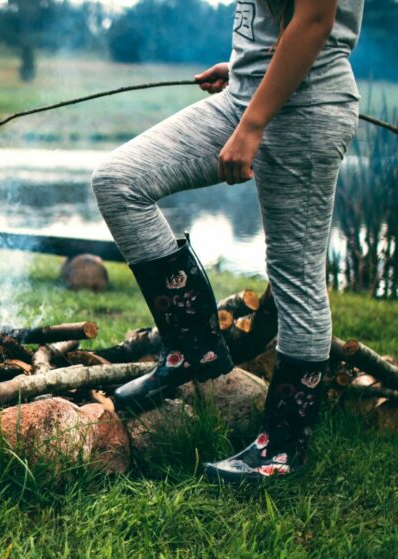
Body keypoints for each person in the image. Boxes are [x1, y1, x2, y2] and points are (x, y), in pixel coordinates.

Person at [91, 0, 362, 483]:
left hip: (304, 110)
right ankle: (191, 348)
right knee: (119, 180)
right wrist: (246, 68)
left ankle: (282, 447)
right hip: (247, 96)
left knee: (295, 275)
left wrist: (254, 123)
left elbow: (316, 20)